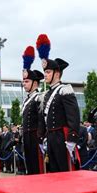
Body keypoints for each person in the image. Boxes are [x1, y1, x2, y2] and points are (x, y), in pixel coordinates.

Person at [37, 35, 80, 172]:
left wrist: (72, 137)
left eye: (48, 72)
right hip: (50, 137)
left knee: (65, 170)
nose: (45, 75)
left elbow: (73, 116)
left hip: (62, 136)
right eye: (45, 72)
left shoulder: (65, 89)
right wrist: (41, 136)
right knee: (53, 171)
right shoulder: (47, 94)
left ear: (57, 73)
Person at [21, 46, 45, 174]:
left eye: (26, 81)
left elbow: (42, 120)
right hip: (27, 137)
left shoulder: (39, 97)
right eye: (23, 81)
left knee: (37, 168)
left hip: (35, 137)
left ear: (35, 83)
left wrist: (41, 138)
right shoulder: (27, 100)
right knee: (29, 168)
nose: (24, 84)